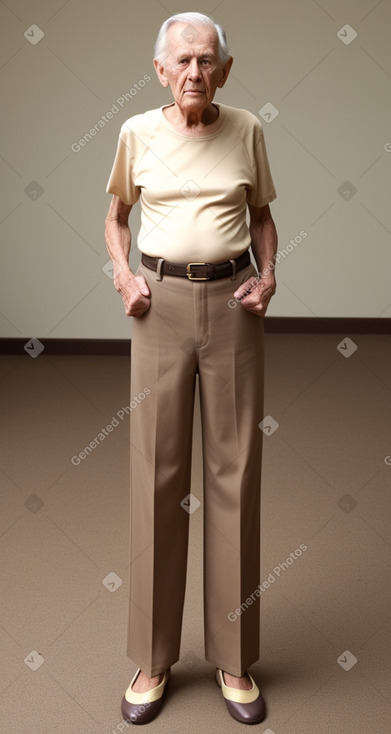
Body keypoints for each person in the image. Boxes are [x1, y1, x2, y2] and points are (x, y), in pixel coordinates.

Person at [105, 11, 278, 725]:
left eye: (206, 61)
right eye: (181, 62)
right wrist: (124, 278)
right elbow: (116, 216)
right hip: (160, 306)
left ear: (224, 71)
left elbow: (263, 214)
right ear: (159, 70)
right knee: (158, 474)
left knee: (233, 472)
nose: (194, 74)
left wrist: (269, 275)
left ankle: (234, 661)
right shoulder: (135, 134)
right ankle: (152, 659)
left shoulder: (246, 129)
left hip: (234, 303)